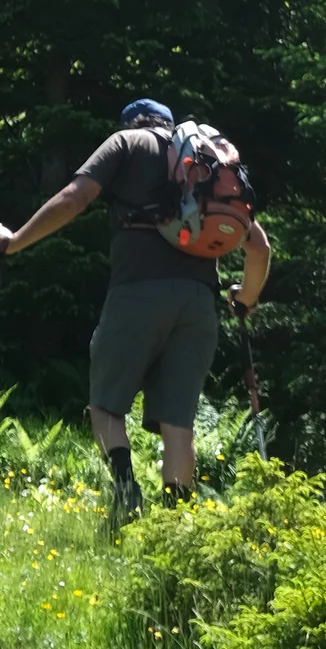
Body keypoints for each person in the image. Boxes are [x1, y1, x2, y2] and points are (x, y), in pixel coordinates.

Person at [0, 97, 272, 521]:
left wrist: (15, 241)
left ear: (132, 123)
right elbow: (259, 247)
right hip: (200, 304)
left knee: (106, 406)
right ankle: (174, 526)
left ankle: (127, 494)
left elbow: (74, 199)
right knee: (178, 423)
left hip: (138, 294)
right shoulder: (205, 164)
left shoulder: (127, 143)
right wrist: (246, 299)